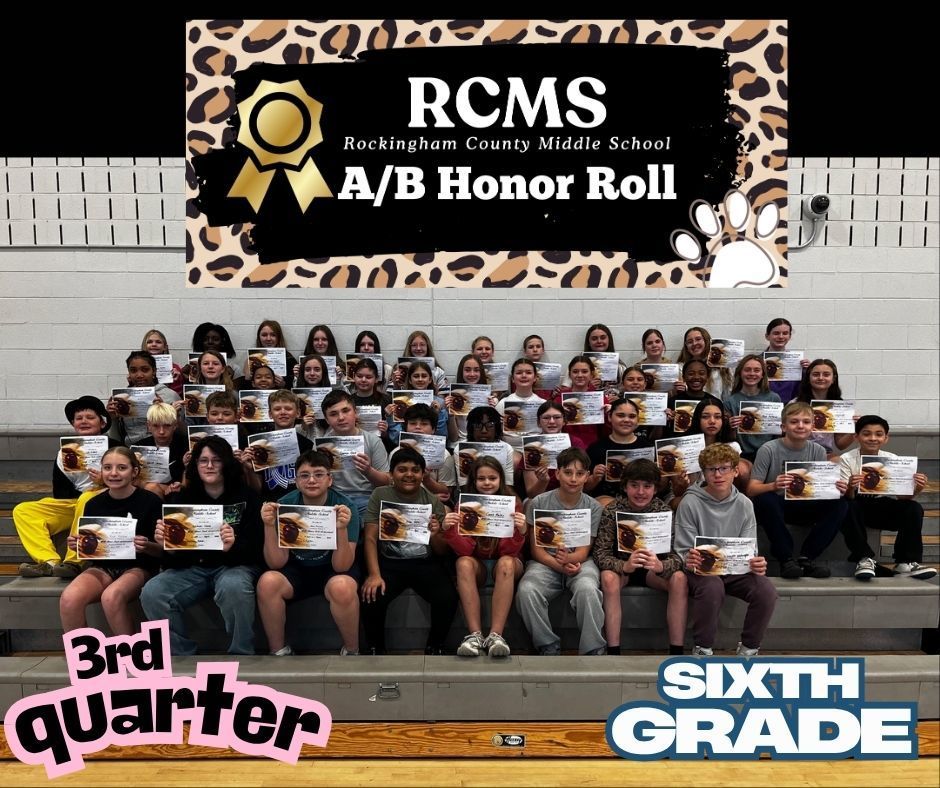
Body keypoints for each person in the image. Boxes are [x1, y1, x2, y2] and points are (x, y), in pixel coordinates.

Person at [140, 436, 265, 656]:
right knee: (153, 591)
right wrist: (167, 547)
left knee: (234, 586)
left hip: (235, 566)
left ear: (227, 463)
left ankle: (241, 652)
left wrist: (233, 547)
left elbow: (257, 550)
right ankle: (180, 655)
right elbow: (173, 561)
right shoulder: (181, 499)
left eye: (216, 460)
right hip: (193, 568)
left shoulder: (248, 496)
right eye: (203, 460)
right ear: (194, 465)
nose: (209, 466)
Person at [675, 443, 777, 657]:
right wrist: (689, 559)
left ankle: (749, 647)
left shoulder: (744, 503)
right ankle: (703, 647)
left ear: (735, 471)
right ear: (704, 473)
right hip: (701, 571)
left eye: (724, 468)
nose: (718, 474)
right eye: (711, 469)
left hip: (734, 570)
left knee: (766, 590)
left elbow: (749, 547)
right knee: (712, 587)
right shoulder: (690, 502)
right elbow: (683, 550)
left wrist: (755, 562)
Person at [257, 450, 361, 656]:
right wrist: (269, 526)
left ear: (329, 479)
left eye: (319, 474)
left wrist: (340, 528)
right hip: (296, 567)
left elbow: (341, 566)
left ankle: (352, 651)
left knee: (343, 586)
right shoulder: (284, 505)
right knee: (267, 582)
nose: (312, 480)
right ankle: (278, 651)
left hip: (332, 566)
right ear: (296, 481)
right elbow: (276, 562)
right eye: (304, 475)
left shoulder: (346, 507)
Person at [360, 447, 458, 654]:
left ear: (423, 474)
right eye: (402, 469)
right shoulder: (380, 494)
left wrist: (435, 533)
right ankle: (376, 649)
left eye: (415, 470)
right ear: (392, 474)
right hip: (389, 561)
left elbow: (441, 551)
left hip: (424, 562)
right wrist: (374, 574)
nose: (409, 475)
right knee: (371, 595)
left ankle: (435, 647)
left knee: (448, 597)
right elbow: (369, 537)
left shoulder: (432, 500)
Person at [59, 447, 162, 634]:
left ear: (134, 472)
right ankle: (83, 659)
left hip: (139, 567)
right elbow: (92, 549)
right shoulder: (93, 504)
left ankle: (130, 654)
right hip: (103, 567)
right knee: (69, 597)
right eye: (107, 468)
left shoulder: (150, 501)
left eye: (121, 468)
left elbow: (162, 551)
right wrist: (78, 545)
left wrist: (146, 546)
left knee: (111, 596)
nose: (113, 473)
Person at [516, 447, 606, 656]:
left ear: (587, 477)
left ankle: (593, 648)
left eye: (580, 474)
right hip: (546, 561)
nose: (573, 479)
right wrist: (559, 565)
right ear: (557, 474)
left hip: (580, 562)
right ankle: (547, 644)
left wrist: (572, 561)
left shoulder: (593, 507)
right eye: (567, 472)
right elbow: (536, 550)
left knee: (588, 589)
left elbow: (584, 551)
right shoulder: (539, 502)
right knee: (527, 590)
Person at [14, 395, 116, 578]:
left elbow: (129, 483)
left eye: (90, 417)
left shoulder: (116, 448)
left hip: (106, 503)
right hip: (74, 504)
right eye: (79, 418)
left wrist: (104, 481)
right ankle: (49, 562)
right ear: (74, 425)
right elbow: (60, 493)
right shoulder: (65, 452)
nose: (84, 421)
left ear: (102, 422)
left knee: (87, 498)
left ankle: (74, 562)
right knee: (23, 510)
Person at [594, 459, 687, 655]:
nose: (640, 492)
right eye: (634, 485)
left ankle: (677, 649)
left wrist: (661, 566)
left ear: (655, 488)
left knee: (679, 578)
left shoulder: (664, 512)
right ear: (625, 487)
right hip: (624, 570)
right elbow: (600, 554)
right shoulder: (612, 510)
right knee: (607, 578)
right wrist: (624, 566)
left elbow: (679, 556)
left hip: (654, 572)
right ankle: (613, 650)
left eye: (647, 486)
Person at [747, 402, 849, 579]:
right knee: (765, 499)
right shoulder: (768, 449)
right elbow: (751, 490)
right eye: (794, 422)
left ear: (812, 426)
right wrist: (773, 485)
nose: (800, 426)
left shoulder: (817, 450)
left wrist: (836, 489)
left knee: (841, 504)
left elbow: (820, 487)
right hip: (777, 507)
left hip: (806, 505)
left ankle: (806, 558)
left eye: (806, 422)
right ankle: (786, 559)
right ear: (783, 427)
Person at [442, 457, 527, 658]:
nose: (487, 483)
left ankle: (496, 635)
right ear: (473, 480)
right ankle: (475, 636)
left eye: (492, 478)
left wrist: (520, 531)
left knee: (506, 562)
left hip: (507, 563)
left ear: (501, 479)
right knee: (462, 563)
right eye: (481, 478)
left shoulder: (512, 502)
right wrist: (449, 530)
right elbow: (464, 551)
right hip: (477, 563)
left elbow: (510, 552)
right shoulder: (465, 504)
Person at [838, 415, 936, 581]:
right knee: (847, 505)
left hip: (880, 505)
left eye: (878, 434)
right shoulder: (846, 459)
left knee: (913, 508)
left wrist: (917, 487)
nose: (873, 438)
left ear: (886, 438)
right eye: (866, 434)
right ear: (856, 437)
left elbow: (903, 497)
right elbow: (847, 495)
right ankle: (864, 558)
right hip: (855, 507)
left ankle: (906, 562)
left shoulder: (892, 459)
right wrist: (850, 486)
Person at [320, 389, 390, 523]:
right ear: (327, 419)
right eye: (333, 414)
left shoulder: (373, 440)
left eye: (346, 411)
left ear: (355, 412)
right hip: (334, 498)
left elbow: (387, 481)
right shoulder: (322, 445)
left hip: (367, 498)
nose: (341, 417)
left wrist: (368, 471)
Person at [669, 397, 749, 510]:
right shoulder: (682, 447)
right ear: (697, 419)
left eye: (717, 417)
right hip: (691, 496)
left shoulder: (732, 447)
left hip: (721, 496)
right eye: (705, 417)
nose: (712, 421)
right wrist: (681, 483)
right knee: (680, 503)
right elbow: (679, 493)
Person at [242, 390, 314, 502]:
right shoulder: (258, 445)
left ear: (298, 413)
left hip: (298, 503)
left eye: (288, 408)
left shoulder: (307, 444)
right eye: (277, 409)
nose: (283, 412)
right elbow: (258, 488)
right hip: (268, 504)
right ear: (270, 414)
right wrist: (250, 470)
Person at [585, 397, 652, 507]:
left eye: (632, 416)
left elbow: (660, 487)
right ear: (610, 417)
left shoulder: (647, 447)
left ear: (638, 420)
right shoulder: (596, 449)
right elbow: (584, 488)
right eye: (620, 415)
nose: (626, 420)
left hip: (642, 500)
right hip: (606, 502)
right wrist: (594, 478)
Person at [107, 351, 180, 445]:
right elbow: (115, 438)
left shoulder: (169, 395)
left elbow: (183, 433)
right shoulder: (123, 397)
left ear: (154, 371)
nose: (139, 375)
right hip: (131, 450)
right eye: (133, 370)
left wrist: (164, 412)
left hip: (162, 450)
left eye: (145, 370)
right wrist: (112, 418)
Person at [394, 403, 457, 506]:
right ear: (405, 427)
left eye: (424, 424)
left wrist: (427, 480)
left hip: (434, 503)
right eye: (413, 423)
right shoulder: (396, 453)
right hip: (402, 501)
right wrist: (422, 498)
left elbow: (446, 491)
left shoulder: (444, 454)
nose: (418, 427)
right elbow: (391, 484)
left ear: (433, 429)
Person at [793, 358, 856, 459]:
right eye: (816, 374)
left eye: (826, 374)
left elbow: (841, 445)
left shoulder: (840, 407)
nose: (821, 378)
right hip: (798, 452)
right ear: (808, 378)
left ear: (833, 379)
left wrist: (855, 429)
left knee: (839, 462)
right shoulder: (795, 404)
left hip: (826, 454)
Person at [724, 354, 782, 461]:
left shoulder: (774, 398)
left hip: (769, 454)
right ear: (740, 373)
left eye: (756, 370)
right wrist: (730, 426)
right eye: (747, 370)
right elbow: (727, 439)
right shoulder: (730, 401)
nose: (752, 373)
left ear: (762, 374)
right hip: (742, 455)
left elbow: (777, 434)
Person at [522, 400, 581, 499]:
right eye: (546, 418)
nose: (552, 421)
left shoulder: (576, 443)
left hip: (570, 496)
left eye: (557, 417)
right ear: (538, 422)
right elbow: (532, 494)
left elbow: (581, 482)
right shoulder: (531, 446)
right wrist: (543, 481)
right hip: (540, 498)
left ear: (564, 421)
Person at [385, 361, 448, 447]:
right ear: (410, 380)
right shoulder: (400, 401)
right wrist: (390, 417)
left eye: (424, 376)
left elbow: (442, 436)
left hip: (431, 449)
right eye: (416, 376)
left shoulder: (439, 402)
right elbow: (396, 438)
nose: (420, 379)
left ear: (430, 380)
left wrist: (438, 415)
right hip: (406, 447)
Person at [135, 402, 187, 499]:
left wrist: (180, 486)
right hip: (146, 493)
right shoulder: (139, 446)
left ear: (175, 425)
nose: (161, 431)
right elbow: (132, 479)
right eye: (156, 426)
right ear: (149, 426)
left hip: (178, 494)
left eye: (167, 425)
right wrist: (160, 488)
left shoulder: (186, 445)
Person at [495, 358, 546, 455]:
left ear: (535, 377)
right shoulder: (503, 403)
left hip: (536, 451)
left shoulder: (543, 404)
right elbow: (497, 434)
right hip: (510, 451)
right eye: (519, 373)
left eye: (528, 372)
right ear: (513, 379)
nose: (524, 376)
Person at [458, 406, 517, 489]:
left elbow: (507, 485)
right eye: (478, 425)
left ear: (496, 428)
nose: (484, 431)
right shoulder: (462, 449)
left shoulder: (507, 448)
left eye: (490, 425)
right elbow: (465, 486)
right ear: (471, 428)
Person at [445, 353, 495, 445]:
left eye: (476, 370)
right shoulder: (453, 398)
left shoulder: (490, 399)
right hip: (459, 444)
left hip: (483, 443)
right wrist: (451, 414)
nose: (472, 374)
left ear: (481, 372)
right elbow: (454, 438)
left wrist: (492, 411)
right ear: (461, 372)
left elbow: (493, 435)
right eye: (467, 370)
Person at [676, 326, 731, 401]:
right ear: (686, 347)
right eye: (690, 342)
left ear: (707, 341)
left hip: (715, 410)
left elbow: (727, 396)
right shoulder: (679, 369)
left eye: (698, 339)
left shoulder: (721, 368)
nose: (694, 343)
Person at [764, 318, 809, 403]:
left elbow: (806, 389)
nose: (781, 337)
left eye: (785, 333)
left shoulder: (798, 363)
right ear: (767, 336)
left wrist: (810, 371)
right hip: (766, 408)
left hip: (791, 409)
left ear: (789, 336)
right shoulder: (756, 362)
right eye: (776, 333)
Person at [245, 319, 297, 389]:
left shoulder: (289, 359)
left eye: (273, 335)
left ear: (278, 337)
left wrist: (284, 384)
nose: (268, 338)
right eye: (264, 335)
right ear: (259, 337)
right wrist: (247, 378)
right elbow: (245, 390)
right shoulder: (252, 359)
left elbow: (296, 387)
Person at [141, 329, 184, 396]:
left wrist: (176, 381)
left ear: (165, 347)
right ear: (144, 346)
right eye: (149, 342)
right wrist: (131, 382)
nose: (154, 344)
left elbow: (178, 395)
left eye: (158, 342)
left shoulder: (175, 368)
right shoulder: (137, 367)